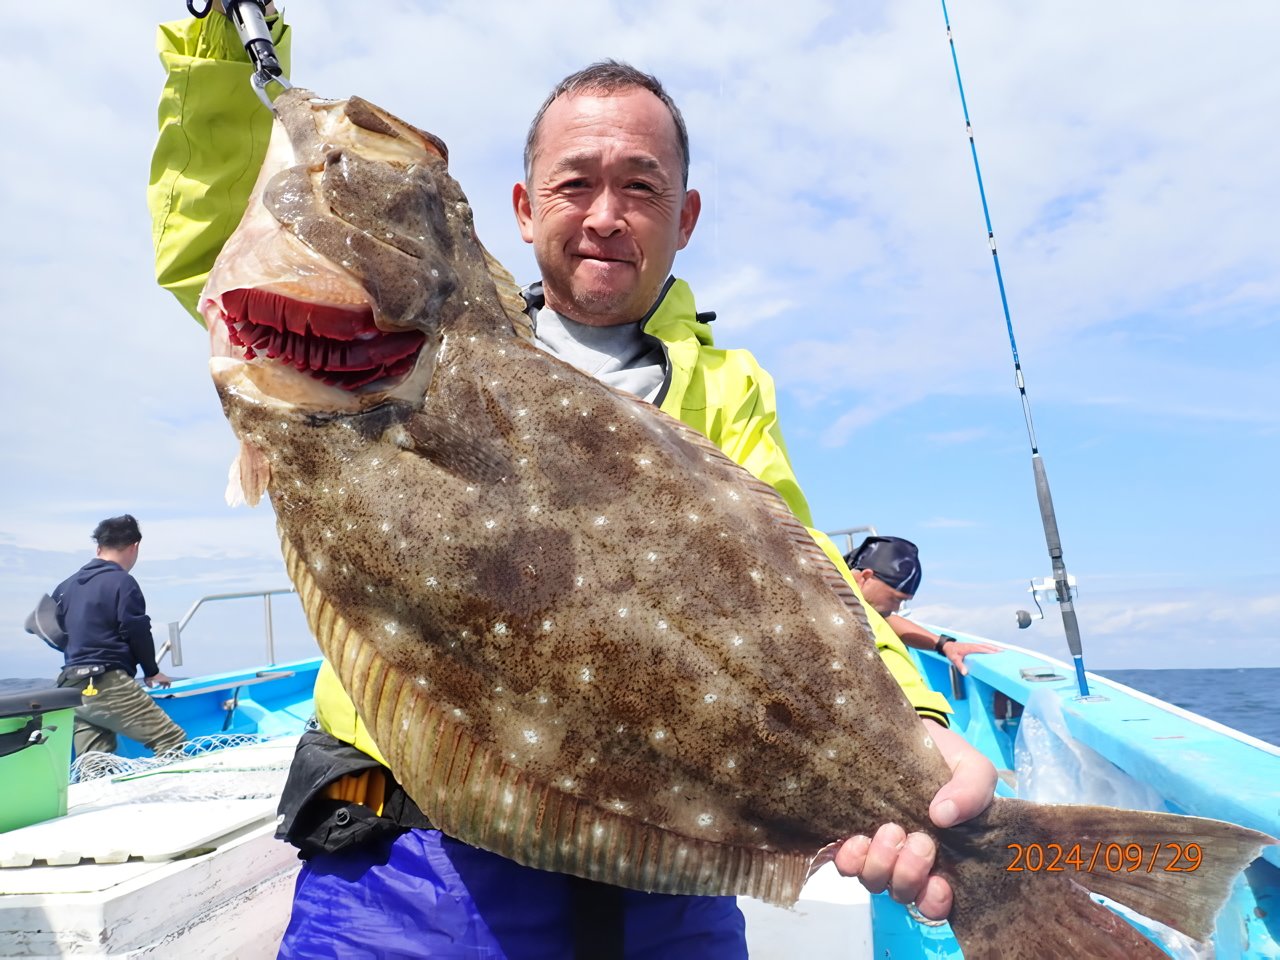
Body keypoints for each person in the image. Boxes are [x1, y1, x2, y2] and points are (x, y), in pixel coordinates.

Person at [149, 8, 997, 957]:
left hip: (662, 900)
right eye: (575, 183)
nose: (604, 215)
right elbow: (214, 244)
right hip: (409, 869)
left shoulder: (725, 388)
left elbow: (813, 595)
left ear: (685, 215)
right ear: (522, 208)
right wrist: (219, 53)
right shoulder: (362, 332)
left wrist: (917, 737)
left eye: (640, 187)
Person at [51, 515, 186, 757]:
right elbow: (136, 630)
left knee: (95, 761)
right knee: (171, 740)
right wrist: (152, 670)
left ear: (98, 547)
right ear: (135, 546)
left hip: (71, 685)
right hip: (105, 682)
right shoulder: (122, 582)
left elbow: (53, 630)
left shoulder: (65, 587)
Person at [845, 536, 1001, 676]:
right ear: (866, 577)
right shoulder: (829, 593)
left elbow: (887, 619)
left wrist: (945, 645)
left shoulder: (862, 603)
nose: (897, 608)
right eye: (894, 598)